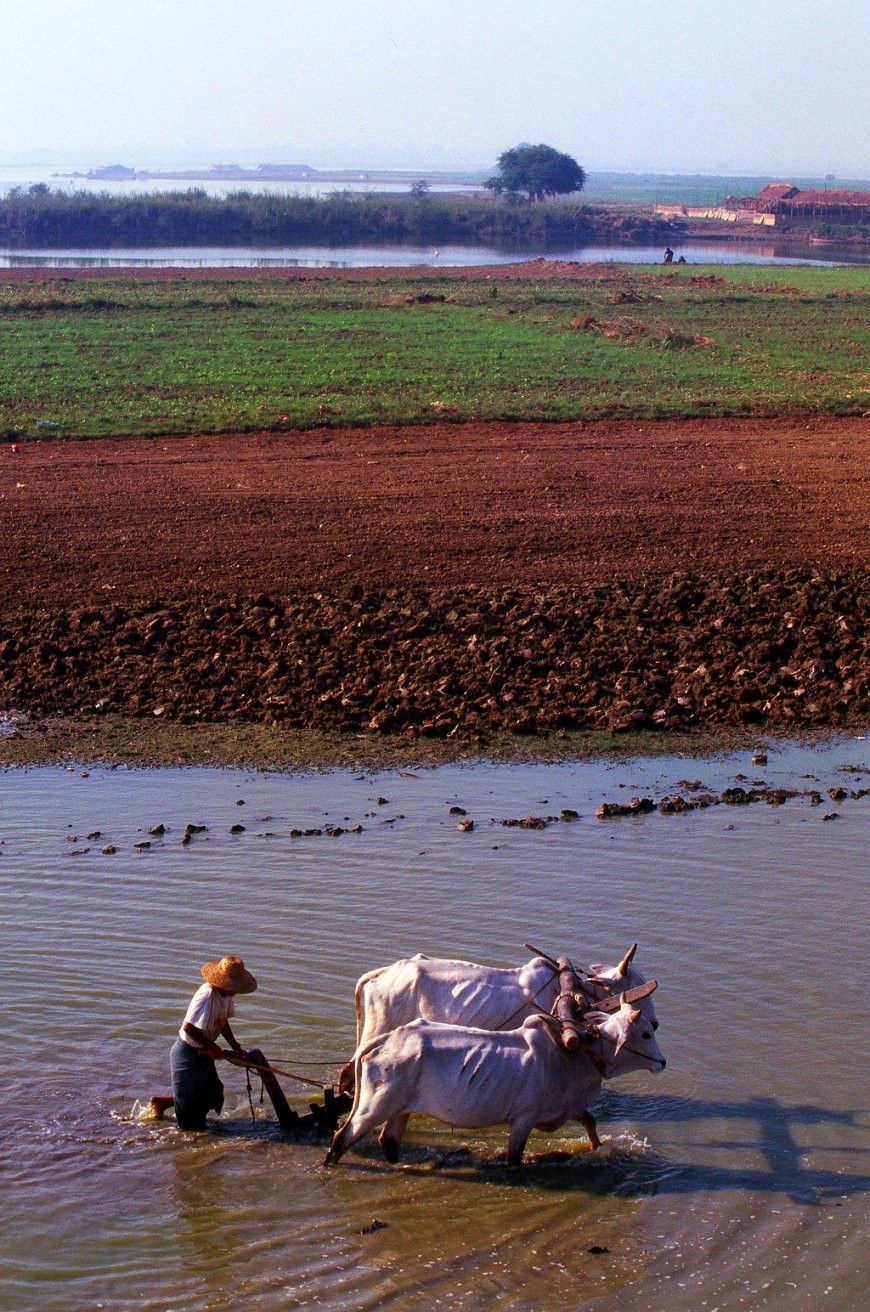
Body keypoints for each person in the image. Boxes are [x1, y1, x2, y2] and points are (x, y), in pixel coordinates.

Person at [151, 955, 257, 1130]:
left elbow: (222, 1023)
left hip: (203, 1049)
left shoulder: (226, 996)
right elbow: (188, 1028)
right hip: (188, 1051)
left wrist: (236, 1047)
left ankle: (162, 1103)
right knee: (188, 1114)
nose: (236, 991)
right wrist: (213, 1047)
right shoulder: (207, 996)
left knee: (210, 1093)